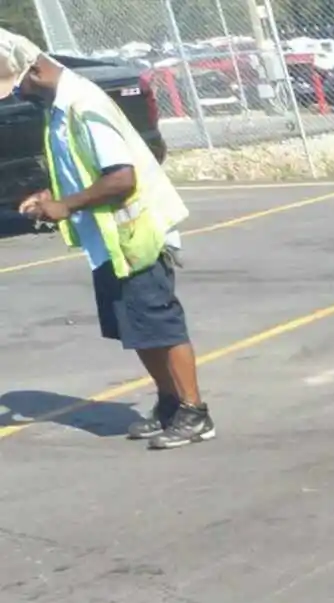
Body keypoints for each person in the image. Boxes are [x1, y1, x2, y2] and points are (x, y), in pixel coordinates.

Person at [1, 28, 215, 448]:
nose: (18, 94)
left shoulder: (84, 105)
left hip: (139, 235)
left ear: (36, 70)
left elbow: (121, 177)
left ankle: (195, 412)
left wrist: (67, 206)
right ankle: (170, 403)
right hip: (111, 241)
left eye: (18, 84)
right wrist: (53, 196)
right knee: (137, 328)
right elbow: (87, 171)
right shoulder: (58, 108)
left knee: (161, 324)